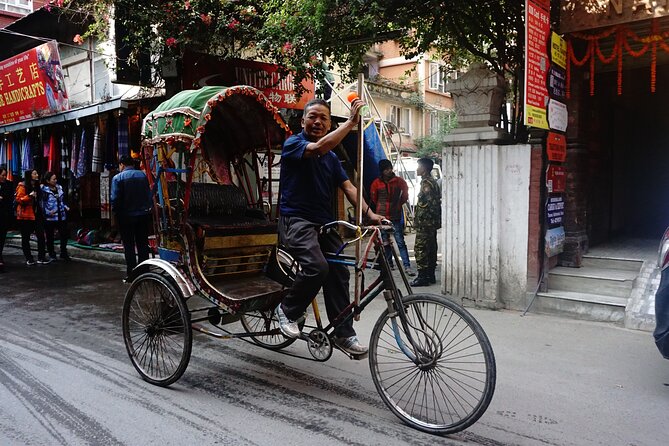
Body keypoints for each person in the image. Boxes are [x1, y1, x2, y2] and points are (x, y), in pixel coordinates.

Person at [275, 97, 384, 357]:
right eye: (313, 116)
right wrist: (350, 123)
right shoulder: (295, 144)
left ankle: (343, 333)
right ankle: (287, 310)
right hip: (297, 221)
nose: (318, 122)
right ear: (302, 121)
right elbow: (318, 148)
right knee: (317, 267)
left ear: (328, 124)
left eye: (324, 118)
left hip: (324, 224)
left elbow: (349, 187)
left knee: (339, 270)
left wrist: (370, 214)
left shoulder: (332, 158)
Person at [369, 159, 415, 276]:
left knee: (400, 241)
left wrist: (397, 205)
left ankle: (407, 266)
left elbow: (405, 196)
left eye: (390, 168)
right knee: (385, 242)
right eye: (386, 169)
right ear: (382, 171)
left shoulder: (400, 182)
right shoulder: (376, 183)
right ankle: (389, 264)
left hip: (395, 216)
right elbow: (373, 198)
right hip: (382, 217)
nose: (389, 171)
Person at [111, 154, 153, 280]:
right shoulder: (143, 175)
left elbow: (115, 199)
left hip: (126, 216)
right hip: (143, 214)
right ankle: (145, 270)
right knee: (142, 244)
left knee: (129, 245)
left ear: (122, 165)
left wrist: (116, 214)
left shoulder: (118, 178)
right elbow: (149, 194)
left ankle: (132, 273)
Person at [410, 158, 441, 287]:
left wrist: (423, 221)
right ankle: (430, 275)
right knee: (431, 247)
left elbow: (429, 205)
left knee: (421, 248)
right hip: (430, 223)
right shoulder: (431, 182)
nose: (417, 169)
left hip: (425, 223)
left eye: (419, 167)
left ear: (424, 169)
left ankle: (423, 276)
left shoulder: (427, 183)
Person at [15, 169, 49, 266]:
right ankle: (29, 258)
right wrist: (29, 196)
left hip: (36, 214)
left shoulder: (37, 186)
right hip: (25, 216)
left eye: (36, 173)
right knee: (26, 237)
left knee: (41, 236)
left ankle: (41, 257)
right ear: (30, 176)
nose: (37, 175)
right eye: (35, 174)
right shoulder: (22, 185)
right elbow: (19, 199)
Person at [41, 171, 71, 261]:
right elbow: (42, 203)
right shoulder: (44, 190)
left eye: (56, 179)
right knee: (50, 237)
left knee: (64, 234)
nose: (55, 180)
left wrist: (66, 207)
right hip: (50, 217)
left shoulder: (59, 188)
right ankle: (51, 253)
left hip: (61, 215)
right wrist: (47, 212)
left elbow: (61, 200)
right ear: (48, 180)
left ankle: (63, 252)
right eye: (53, 179)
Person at [0, 165, 14, 271]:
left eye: (5, 175)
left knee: (2, 237)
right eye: (2, 175)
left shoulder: (9, 184)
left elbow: (8, 198)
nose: (4, 177)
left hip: (5, 215)